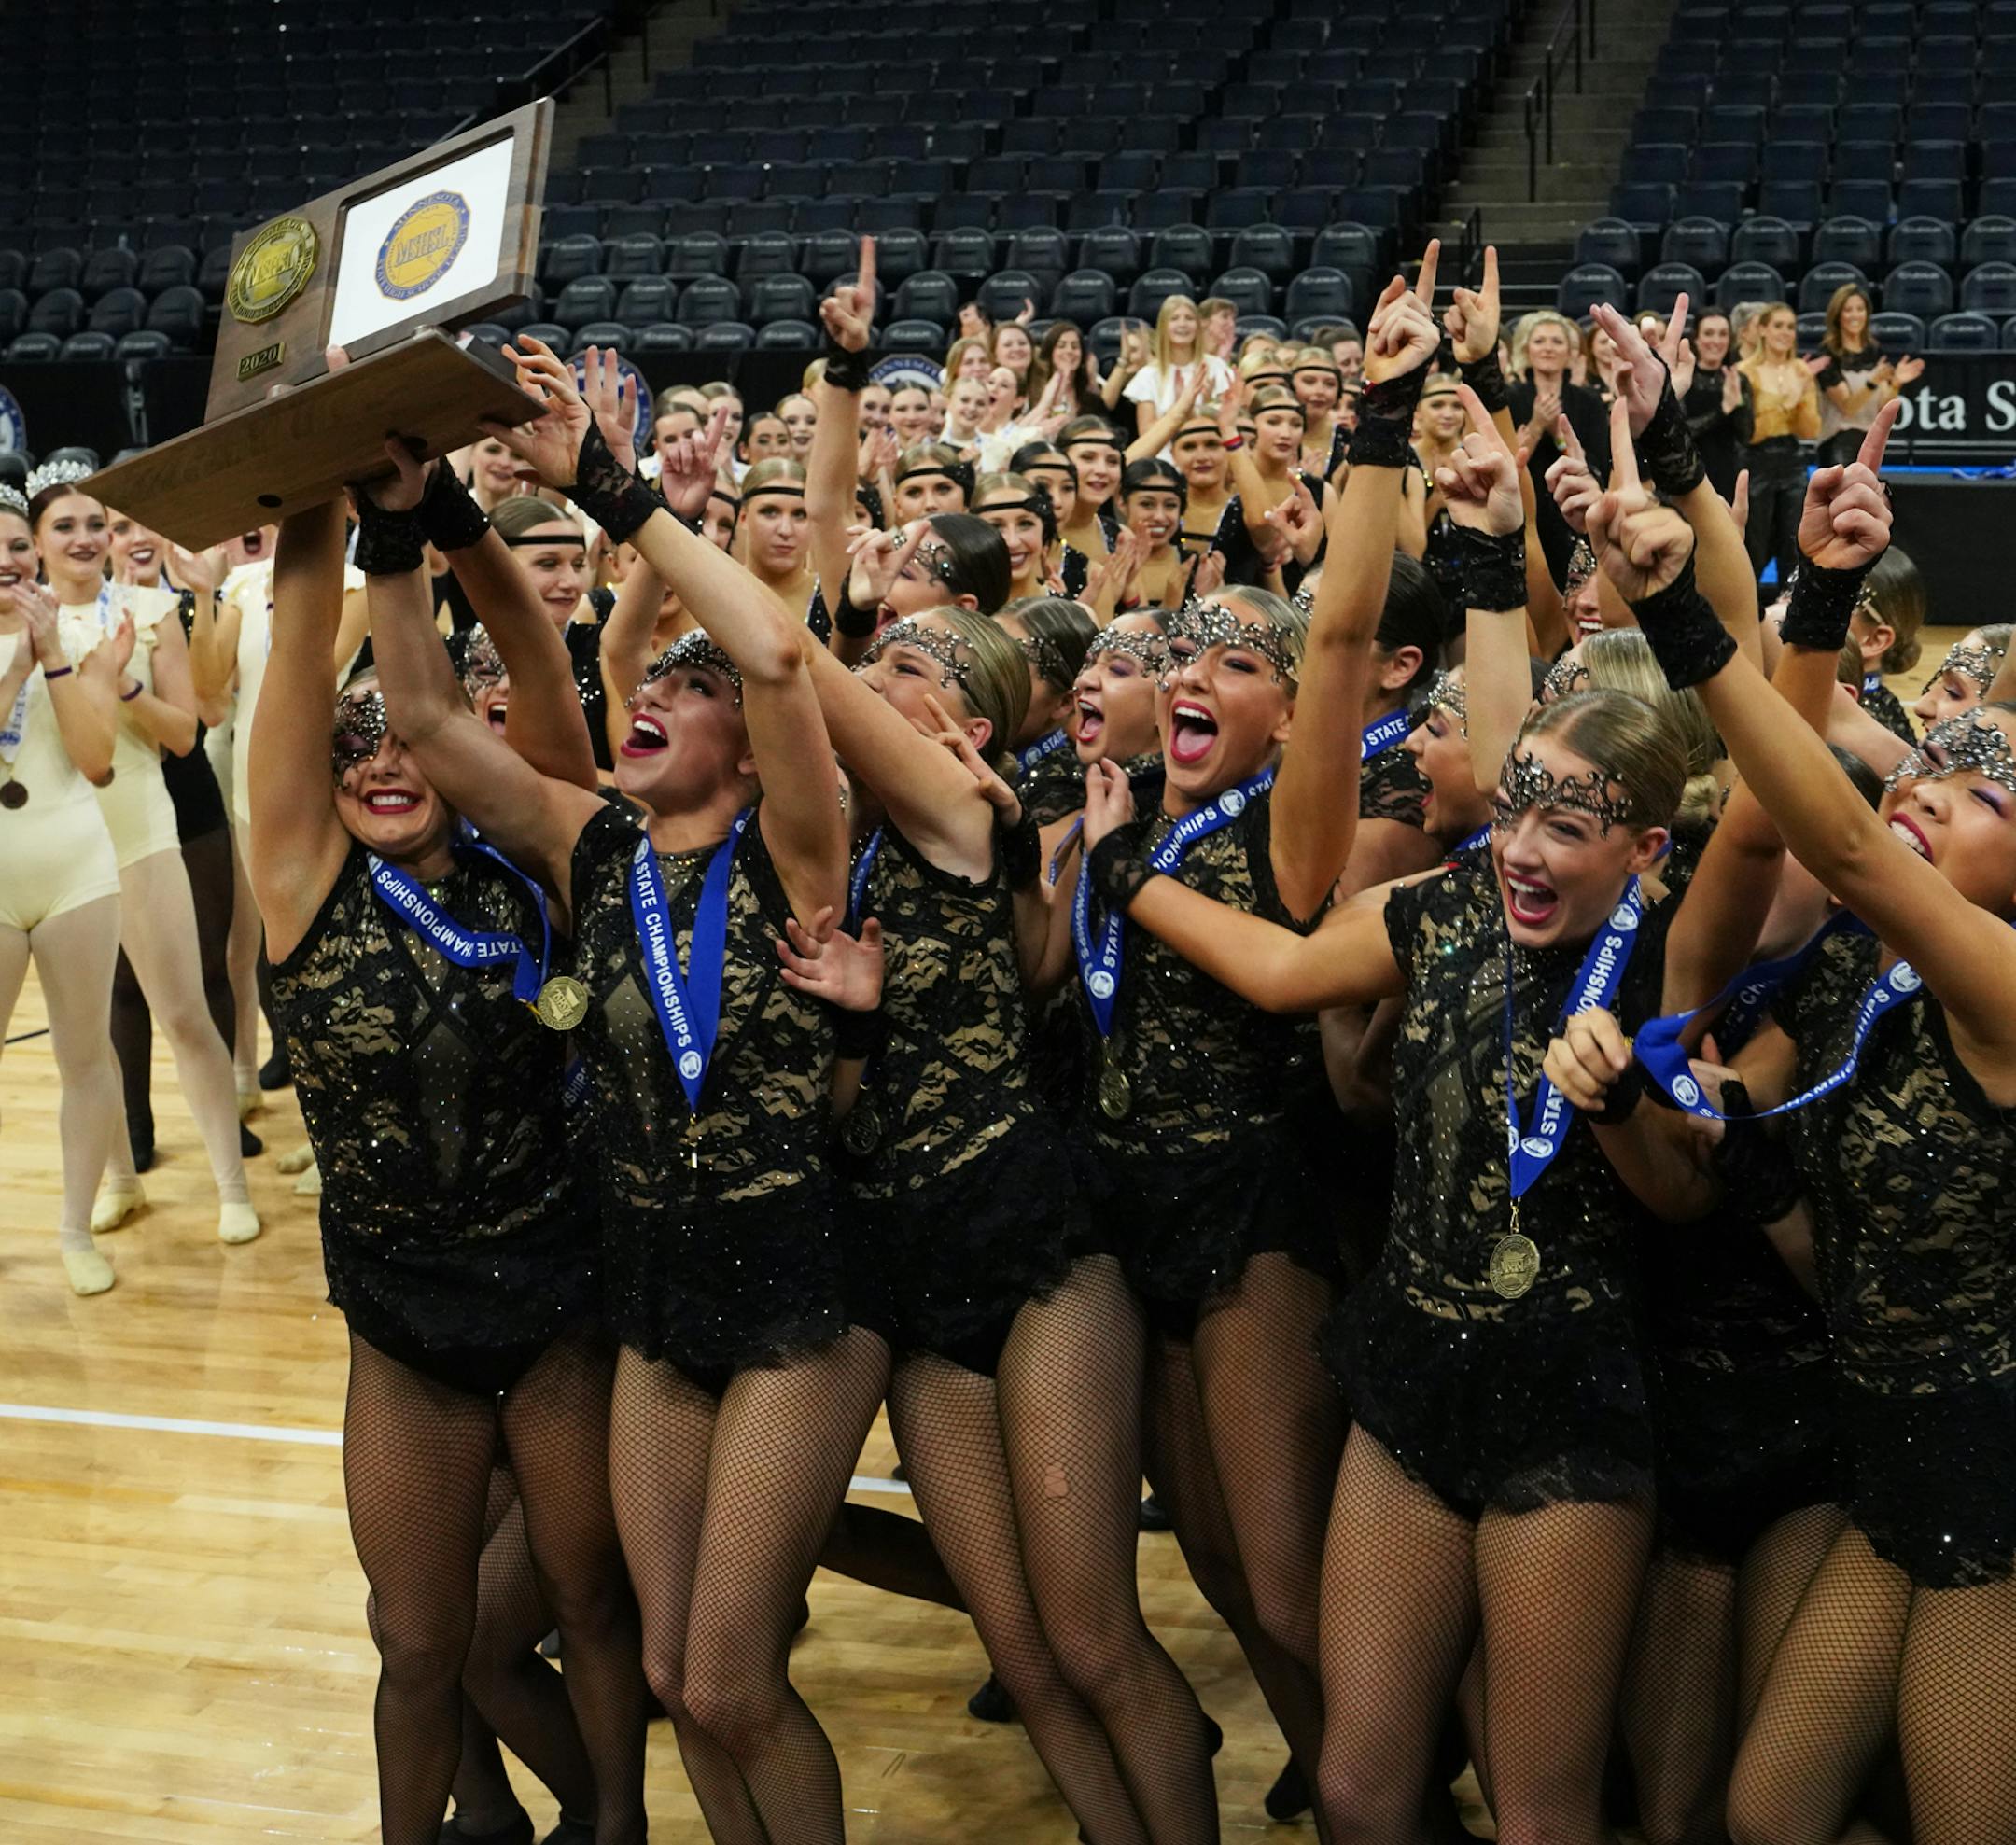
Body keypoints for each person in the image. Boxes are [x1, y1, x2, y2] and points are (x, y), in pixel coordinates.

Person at [802, 249, 1224, 1841]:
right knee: (1029, 1651)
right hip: (906, 1265)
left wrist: (837, 408)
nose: (873, 670)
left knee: (1097, 1638)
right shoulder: (835, 832)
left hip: (1036, 1250)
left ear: (969, 724)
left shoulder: (966, 810)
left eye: (905, 668)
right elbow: (811, 632)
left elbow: (794, 654)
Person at [1578, 399, 2016, 1845]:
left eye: (1973, 794)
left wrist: (1677, 614)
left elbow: (1822, 823)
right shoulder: (1873, 976)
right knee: (1770, 1811)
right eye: (1928, 772)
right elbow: (1798, 784)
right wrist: (1814, 587)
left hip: (1993, 1471)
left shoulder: (2006, 986)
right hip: (1889, 1441)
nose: (1922, 793)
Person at [1048, 245, 1444, 1832]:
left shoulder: (1285, 832)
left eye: (1237, 663)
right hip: (1116, 1214)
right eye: (1181, 656)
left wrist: (1386, 420)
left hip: (1249, 1219)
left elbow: (1342, 631)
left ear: (1292, 714)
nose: (1197, 676)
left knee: (1284, 1578)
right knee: (1210, 1561)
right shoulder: (1118, 813)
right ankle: (1323, 1769)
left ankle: (1397, 1798)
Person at [29, 483, 259, 1250]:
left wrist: (122, 682)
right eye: (66, 525)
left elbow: (186, 735)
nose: (86, 536)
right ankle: (120, 1182)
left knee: (187, 1012)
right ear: (37, 542)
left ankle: (232, 1187)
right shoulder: (23, 622)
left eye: (96, 522)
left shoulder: (148, 610)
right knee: (86, 1040)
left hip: (143, 830)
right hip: (63, 842)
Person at [0, 476, 131, 1295]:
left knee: (86, 1055)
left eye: (16, 544)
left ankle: (76, 1230)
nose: (6, 560)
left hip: (76, 863)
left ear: (36, 552)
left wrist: (51, 655)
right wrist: (14, 667)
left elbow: (97, 760)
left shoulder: (83, 630)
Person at [101, 512, 245, 1177]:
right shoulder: (84, 618)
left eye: (142, 524)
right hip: (113, 812)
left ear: (163, 533)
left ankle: (224, 1116)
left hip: (190, 803)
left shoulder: (188, 606)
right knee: (122, 984)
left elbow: (209, 709)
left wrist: (205, 594)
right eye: (116, 524)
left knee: (211, 966)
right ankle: (135, 1125)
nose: (132, 536)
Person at [1509, 309, 1610, 585]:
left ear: (1570, 352)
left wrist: (1559, 437)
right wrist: (1537, 425)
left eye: (1557, 341)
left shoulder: (1588, 402)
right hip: (1524, 513)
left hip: (1573, 515)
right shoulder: (1512, 398)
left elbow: (1598, 465)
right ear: (1526, 349)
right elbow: (1507, 463)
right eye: (1540, 341)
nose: (1548, 348)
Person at [1735, 301, 1822, 589]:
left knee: (1793, 540)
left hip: (1791, 459)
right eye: (1778, 326)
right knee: (1755, 542)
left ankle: (1789, 606)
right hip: (1755, 461)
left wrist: (1799, 395)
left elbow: (1810, 429)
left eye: (1791, 327)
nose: (1785, 333)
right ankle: (1746, 603)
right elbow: (1752, 432)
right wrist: (1787, 401)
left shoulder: (1800, 370)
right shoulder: (1745, 371)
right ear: (1762, 330)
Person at [1816, 283, 1923, 470]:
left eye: (1860, 309)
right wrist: (1874, 380)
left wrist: (1896, 383)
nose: (1855, 315)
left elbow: (1882, 408)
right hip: (1838, 443)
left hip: (1870, 441)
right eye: (1848, 310)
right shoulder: (1828, 355)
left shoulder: (1874, 350)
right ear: (1837, 315)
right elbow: (1848, 407)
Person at [1125, 295, 1236, 439]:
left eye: (1189, 318)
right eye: (1174, 318)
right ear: (1164, 326)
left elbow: (1230, 422)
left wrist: (1207, 405)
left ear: (1197, 325)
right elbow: (1146, 434)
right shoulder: (1148, 375)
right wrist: (1179, 412)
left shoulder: (1216, 367)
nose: (1182, 324)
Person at [1682, 308, 1751, 502]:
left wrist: (1738, 406)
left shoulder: (1739, 379)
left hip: (1729, 472)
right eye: (1709, 333)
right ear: (1696, 338)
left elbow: (1746, 435)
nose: (1716, 341)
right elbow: (1682, 432)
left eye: (1723, 334)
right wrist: (1723, 410)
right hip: (1690, 471)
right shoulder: (1684, 378)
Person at [1029, 321, 1098, 422]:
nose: (1069, 351)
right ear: (1050, 352)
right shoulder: (1033, 385)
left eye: (1075, 347)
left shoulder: (1089, 387)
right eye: (1061, 346)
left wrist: (1092, 381)